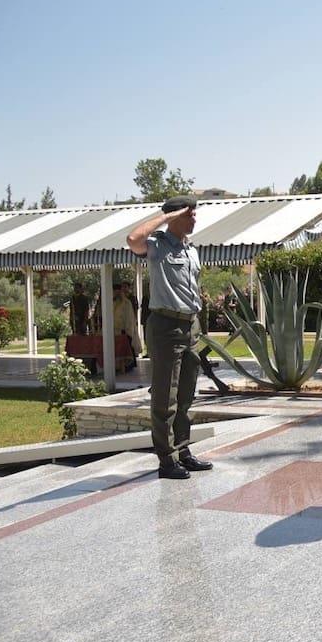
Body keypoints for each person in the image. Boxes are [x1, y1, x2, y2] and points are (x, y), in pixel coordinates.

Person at [126, 195, 214, 480]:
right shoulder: (157, 245)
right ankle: (167, 461)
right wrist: (166, 217)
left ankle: (183, 451)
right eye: (189, 214)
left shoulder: (192, 250)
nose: (194, 219)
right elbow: (132, 239)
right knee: (166, 397)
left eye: (194, 214)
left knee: (186, 394)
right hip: (166, 327)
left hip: (190, 326)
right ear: (174, 217)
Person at [112, 282, 142, 370]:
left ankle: (129, 365)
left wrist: (127, 327)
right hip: (115, 328)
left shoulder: (128, 302)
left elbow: (129, 315)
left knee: (128, 345)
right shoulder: (114, 302)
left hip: (126, 327)